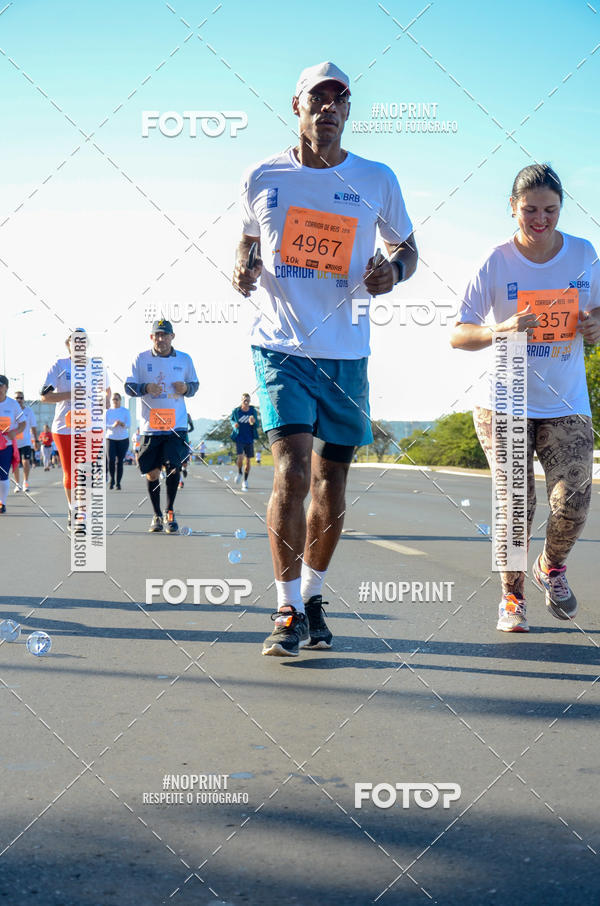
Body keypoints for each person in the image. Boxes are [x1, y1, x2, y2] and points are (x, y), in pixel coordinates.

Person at [232, 61, 417, 656]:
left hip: (347, 353)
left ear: (347, 109)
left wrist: (393, 271)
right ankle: (285, 609)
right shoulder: (262, 176)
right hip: (281, 345)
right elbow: (248, 237)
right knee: (291, 471)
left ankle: (313, 596)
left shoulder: (376, 177)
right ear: (297, 106)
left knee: (332, 480)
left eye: (341, 99)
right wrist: (243, 265)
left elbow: (408, 249)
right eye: (319, 99)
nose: (330, 108)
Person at [451, 163, 600, 632]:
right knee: (517, 503)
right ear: (512, 208)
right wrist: (499, 330)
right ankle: (512, 598)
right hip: (505, 400)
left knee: (573, 498)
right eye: (530, 209)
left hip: (565, 400)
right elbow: (459, 334)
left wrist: (596, 324)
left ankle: (550, 568)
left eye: (550, 210)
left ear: (561, 209)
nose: (540, 219)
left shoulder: (583, 253)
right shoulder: (495, 261)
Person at [125, 319, 198, 534]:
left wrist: (186, 388)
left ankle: (170, 511)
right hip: (151, 426)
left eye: (165, 335)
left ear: (172, 337)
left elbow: (195, 386)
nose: (161, 339)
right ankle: (156, 514)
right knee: (153, 473)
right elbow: (129, 387)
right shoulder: (141, 359)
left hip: (177, 425)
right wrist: (145, 387)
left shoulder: (184, 359)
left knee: (174, 467)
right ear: (151, 337)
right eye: (157, 335)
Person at [41, 332, 110, 531]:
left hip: (90, 426)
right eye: (74, 341)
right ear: (68, 345)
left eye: (83, 341)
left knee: (84, 471)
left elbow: (107, 389)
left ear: (87, 345)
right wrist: (70, 394)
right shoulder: (60, 366)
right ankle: (73, 508)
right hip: (65, 426)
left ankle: (82, 514)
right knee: (70, 472)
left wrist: (106, 399)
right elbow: (45, 396)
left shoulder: (96, 366)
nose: (79, 344)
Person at [0, 376, 26, 513]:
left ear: (6, 388)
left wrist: (14, 432)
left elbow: (23, 423)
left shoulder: (13, 404)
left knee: (3, 475)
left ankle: (2, 503)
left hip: (6, 446)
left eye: (1, 385)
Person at [231, 393, 260, 491]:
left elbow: (256, 425)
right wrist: (234, 424)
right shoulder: (236, 411)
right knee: (240, 458)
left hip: (249, 438)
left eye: (248, 400)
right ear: (242, 401)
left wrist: (253, 422)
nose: (246, 402)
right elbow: (231, 420)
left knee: (248, 460)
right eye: (245, 400)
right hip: (239, 438)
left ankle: (245, 481)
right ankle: (239, 472)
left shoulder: (252, 411)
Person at [12, 392, 38, 492]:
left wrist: (35, 440)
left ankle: (25, 482)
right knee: (15, 464)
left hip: (26, 442)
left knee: (26, 462)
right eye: (17, 398)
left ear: (23, 399)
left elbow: (33, 426)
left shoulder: (29, 411)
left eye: (21, 398)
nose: (19, 400)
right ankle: (17, 484)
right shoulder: (11, 411)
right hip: (13, 442)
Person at [106, 392, 131, 490]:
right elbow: (103, 425)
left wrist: (122, 424)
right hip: (110, 438)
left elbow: (129, 424)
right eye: (113, 399)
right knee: (111, 460)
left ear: (120, 400)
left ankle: (118, 483)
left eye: (117, 399)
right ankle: (112, 479)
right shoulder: (108, 411)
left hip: (123, 439)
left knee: (119, 461)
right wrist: (112, 425)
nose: (115, 401)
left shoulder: (125, 411)